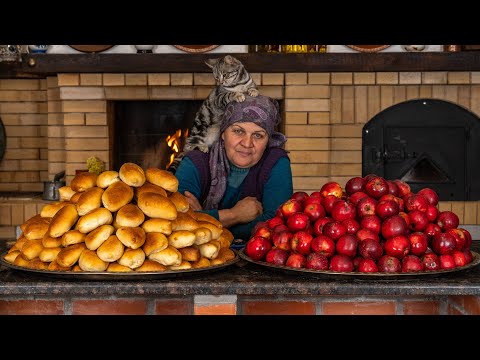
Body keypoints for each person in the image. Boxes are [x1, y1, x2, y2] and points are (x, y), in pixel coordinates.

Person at [175, 95, 293, 245]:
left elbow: (277, 225)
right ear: (223, 133)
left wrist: (201, 219)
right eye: (238, 131)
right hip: (200, 259)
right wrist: (234, 215)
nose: (247, 143)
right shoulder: (196, 161)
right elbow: (177, 221)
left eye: (258, 135)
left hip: (256, 259)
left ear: (268, 140)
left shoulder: (276, 162)